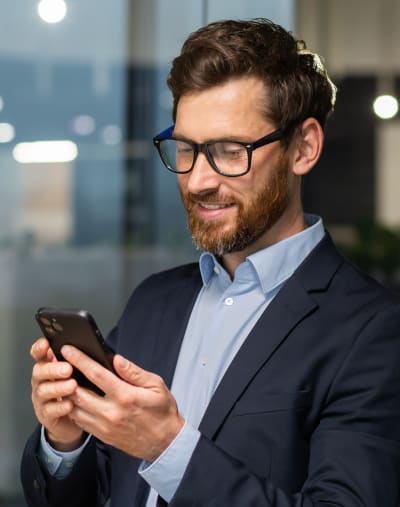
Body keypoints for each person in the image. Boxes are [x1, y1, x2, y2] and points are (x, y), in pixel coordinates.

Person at [21, 18, 400, 507]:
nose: (198, 179)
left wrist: (166, 446)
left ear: (303, 148)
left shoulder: (373, 332)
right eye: (186, 148)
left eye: (228, 151)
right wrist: (65, 441)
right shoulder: (154, 301)